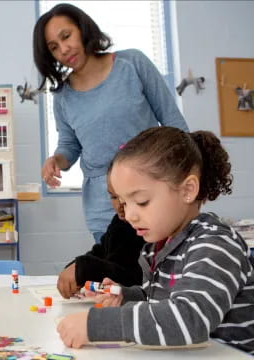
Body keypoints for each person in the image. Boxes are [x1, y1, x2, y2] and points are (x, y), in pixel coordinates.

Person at [57, 126, 254, 353]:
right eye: (123, 202)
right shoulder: (157, 247)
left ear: (188, 190)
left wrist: (97, 325)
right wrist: (124, 295)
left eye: (141, 201)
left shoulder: (215, 245)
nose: (129, 214)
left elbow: (188, 320)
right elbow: (160, 299)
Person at [33, 3, 189, 242]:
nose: (64, 49)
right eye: (54, 47)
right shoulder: (63, 96)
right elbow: (70, 146)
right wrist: (56, 160)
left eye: (67, 36)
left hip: (152, 189)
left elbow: (172, 121)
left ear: (83, 29)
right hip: (103, 205)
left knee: (163, 270)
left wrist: (188, 174)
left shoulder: (133, 64)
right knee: (115, 275)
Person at [57, 173, 144, 299]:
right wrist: (76, 267)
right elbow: (100, 251)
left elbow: (135, 278)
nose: (120, 205)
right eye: (114, 197)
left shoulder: (147, 230)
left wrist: (84, 268)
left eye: (126, 197)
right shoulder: (119, 222)